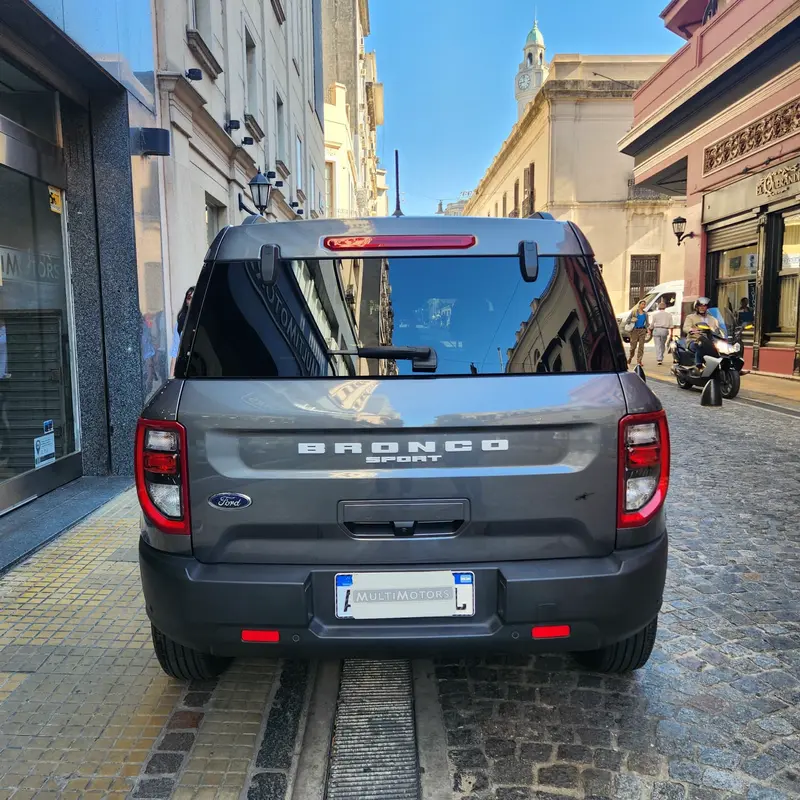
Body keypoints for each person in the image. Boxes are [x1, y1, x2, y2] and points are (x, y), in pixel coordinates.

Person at [682, 297, 720, 371]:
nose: (702, 308)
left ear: (707, 307)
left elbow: (718, 329)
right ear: (696, 307)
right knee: (700, 345)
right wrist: (691, 330)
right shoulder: (690, 317)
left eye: (704, 306)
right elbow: (686, 327)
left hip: (710, 341)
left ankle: (732, 367)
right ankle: (698, 365)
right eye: (700, 306)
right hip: (694, 340)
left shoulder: (713, 319)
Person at [170, 286, 195, 375]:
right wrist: (171, 376)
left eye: (194, 298)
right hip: (184, 367)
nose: (191, 301)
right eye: (189, 298)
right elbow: (175, 351)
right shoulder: (181, 322)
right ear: (186, 301)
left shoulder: (205, 321)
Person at [625, 300, 649, 367]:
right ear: (639, 305)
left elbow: (647, 323)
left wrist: (648, 329)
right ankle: (630, 357)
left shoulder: (645, 314)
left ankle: (639, 360)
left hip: (642, 330)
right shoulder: (634, 312)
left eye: (644, 304)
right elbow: (627, 320)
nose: (643, 306)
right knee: (633, 346)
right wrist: (632, 320)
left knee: (641, 346)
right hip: (634, 331)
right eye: (642, 304)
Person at [649, 299, 672, 365]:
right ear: (665, 307)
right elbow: (671, 325)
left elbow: (652, 324)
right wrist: (671, 334)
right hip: (664, 330)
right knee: (662, 344)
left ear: (658, 307)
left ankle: (659, 359)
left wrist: (650, 329)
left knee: (657, 345)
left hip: (656, 330)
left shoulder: (655, 315)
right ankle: (661, 356)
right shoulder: (669, 315)